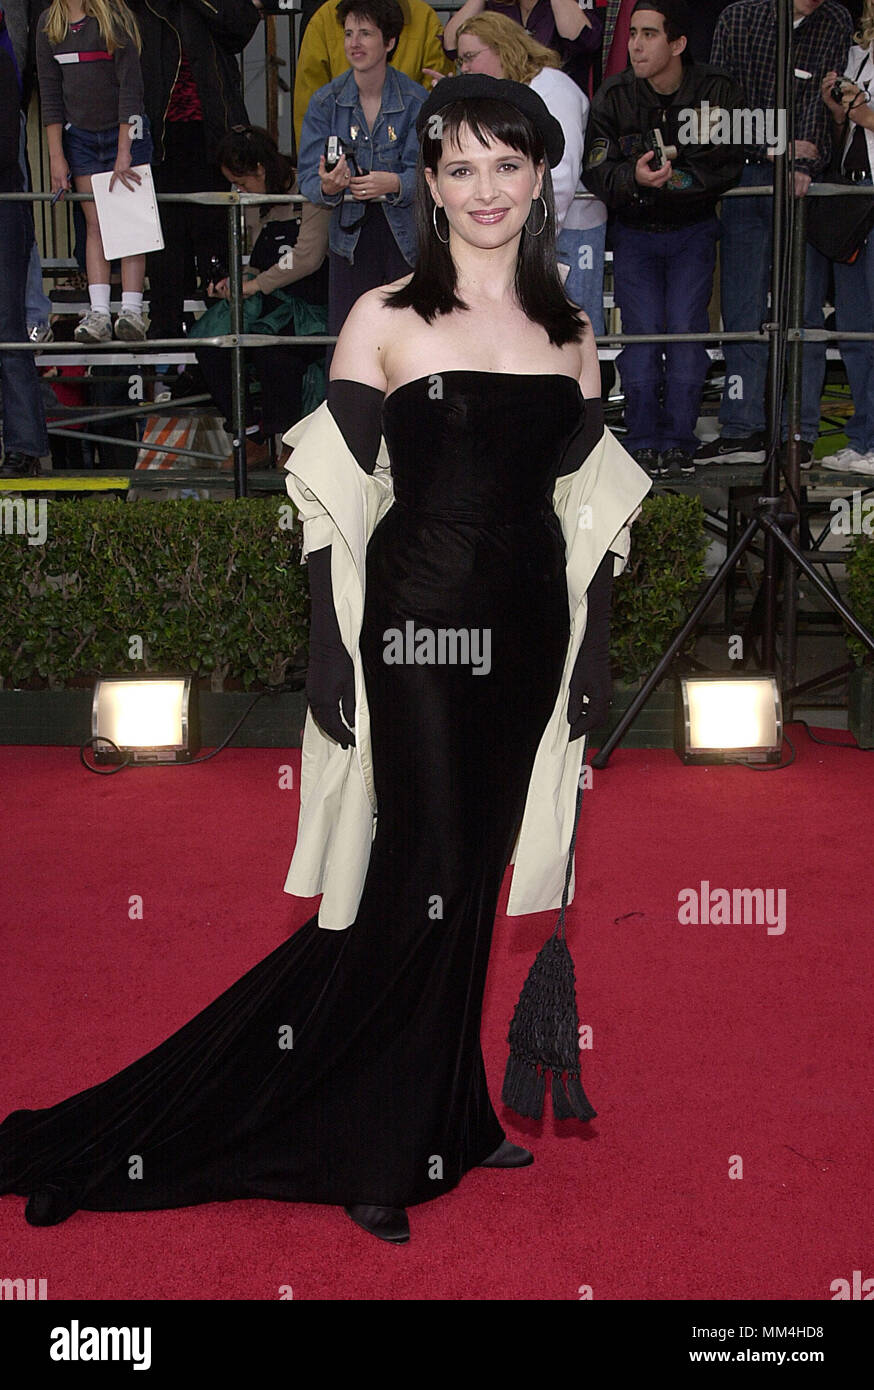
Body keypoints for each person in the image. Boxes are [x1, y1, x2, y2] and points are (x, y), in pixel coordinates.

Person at [0, 75, 649, 1244]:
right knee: (419, 870)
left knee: (477, 870)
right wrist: (325, 652)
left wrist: (592, 650)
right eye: (460, 166)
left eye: (508, 165)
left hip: (525, 637)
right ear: (432, 184)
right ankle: (370, 1137)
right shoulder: (385, 316)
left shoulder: (571, 332)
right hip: (414, 626)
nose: (485, 188)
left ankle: (445, 1110)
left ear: (540, 175)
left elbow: (588, 509)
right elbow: (329, 494)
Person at [582, 0, 744, 477]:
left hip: (693, 231)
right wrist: (634, 179)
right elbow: (596, 168)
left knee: (687, 336)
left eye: (649, 34)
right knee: (644, 339)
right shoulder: (613, 94)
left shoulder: (717, 90)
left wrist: (670, 181)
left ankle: (679, 441)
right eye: (633, 33)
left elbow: (726, 163)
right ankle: (643, 440)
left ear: (678, 43)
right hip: (634, 233)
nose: (635, 44)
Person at [700, 0, 853, 467]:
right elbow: (718, 109)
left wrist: (800, 161)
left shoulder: (836, 20)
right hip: (746, 174)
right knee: (743, 307)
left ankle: (798, 431)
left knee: (801, 313)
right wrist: (779, 147)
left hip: (806, 181)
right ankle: (743, 427)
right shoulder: (738, 17)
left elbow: (823, 109)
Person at [452, 11, 609, 332]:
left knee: (574, 330)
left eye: (469, 57)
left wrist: (535, 239)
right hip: (529, 226)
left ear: (502, 48)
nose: (464, 67)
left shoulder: (552, 86)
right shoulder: (507, 93)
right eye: (461, 61)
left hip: (568, 229)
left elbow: (561, 173)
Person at [191, 125, 331, 458]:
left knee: (273, 349)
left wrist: (253, 284)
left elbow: (306, 257)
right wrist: (235, 281)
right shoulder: (255, 200)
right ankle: (249, 432)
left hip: (309, 303)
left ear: (261, 169)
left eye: (241, 181)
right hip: (268, 298)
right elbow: (258, 257)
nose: (237, 190)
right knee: (209, 341)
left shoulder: (310, 189)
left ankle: (288, 444)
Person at [126, 0, 259, 343]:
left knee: (213, 236)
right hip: (159, 131)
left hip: (212, 130)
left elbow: (241, 27)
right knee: (163, 238)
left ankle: (220, 333)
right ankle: (166, 333)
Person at [297, 0, 426, 348]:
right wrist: (327, 186)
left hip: (405, 240)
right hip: (349, 242)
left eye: (366, 33)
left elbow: (432, 174)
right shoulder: (325, 101)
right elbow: (307, 177)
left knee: (408, 343)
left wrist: (396, 183)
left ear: (390, 42)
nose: (354, 42)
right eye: (349, 33)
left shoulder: (417, 101)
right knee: (349, 344)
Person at [36, 0, 153, 343]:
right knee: (95, 223)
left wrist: (124, 149)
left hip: (125, 131)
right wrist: (56, 156)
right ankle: (99, 310)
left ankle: (132, 309)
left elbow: (132, 90)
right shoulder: (49, 25)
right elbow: (50, 96)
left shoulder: (116, 19)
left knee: (130, 221)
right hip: (81, 136)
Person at [819, 0, 874, 474]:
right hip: (850, 195)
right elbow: (848, 127)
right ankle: (861, 440)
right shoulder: (859, 54)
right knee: (855, 333)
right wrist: (839, 112)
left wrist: (859, 108)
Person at [293, 0, 451, 150]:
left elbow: (434, 107)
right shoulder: (324, 19)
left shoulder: (425, 20)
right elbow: (308, 109)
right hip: (340, 163)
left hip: (406, 162)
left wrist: (403, 176)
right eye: (348, 34)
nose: (354, 43)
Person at [0, 22, 48, 475]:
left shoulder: (4, 55)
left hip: (3, 205)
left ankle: (24, 445)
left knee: (7, 327)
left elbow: (5, 139)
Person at [443, 0, 603, 95]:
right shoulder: (496, 4)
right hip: (504, 102)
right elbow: (452, 45)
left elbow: (584, 40)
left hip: (555, 100)